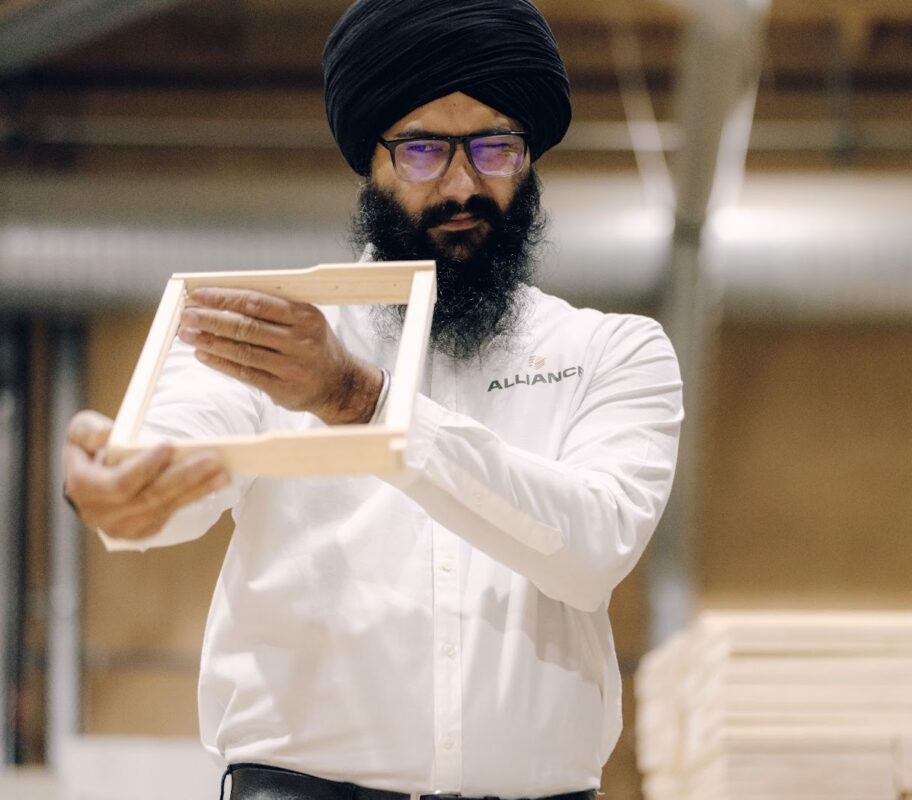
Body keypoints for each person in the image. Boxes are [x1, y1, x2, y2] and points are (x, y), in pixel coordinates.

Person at [62, 1, 684, 799]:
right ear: (371, 161)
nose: (464, 185)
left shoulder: (610, 352)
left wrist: (361, 400)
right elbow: (178, 449)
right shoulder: (276, 336)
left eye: (495, 147)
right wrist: (120, 486)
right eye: (422, 150)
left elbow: (593, 548)